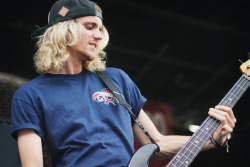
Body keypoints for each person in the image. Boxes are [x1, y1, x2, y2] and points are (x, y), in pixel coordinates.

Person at [11, 0, 236, 166]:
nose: (99, 36)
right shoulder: (30, 95)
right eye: (90, 27)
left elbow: (156, 143)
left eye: (101, 29)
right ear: (63, 32)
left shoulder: (115, 78)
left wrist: (212, 140)